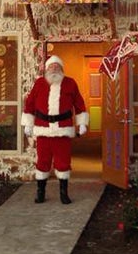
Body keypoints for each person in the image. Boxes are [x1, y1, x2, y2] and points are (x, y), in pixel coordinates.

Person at [21, 55, 88, 204]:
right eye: (51, 67)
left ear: (61, 69)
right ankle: (40, 192)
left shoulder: (70, 83)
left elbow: (79, 103)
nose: (54, 69)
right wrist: (28, 124)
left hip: (63, 131)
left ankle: (64, 194)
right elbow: (30, 104)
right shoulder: (39, 83)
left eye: (57, 66)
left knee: (63, 162)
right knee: (42, 162)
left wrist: (82, 123)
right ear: (46, 69)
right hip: (43, 130)